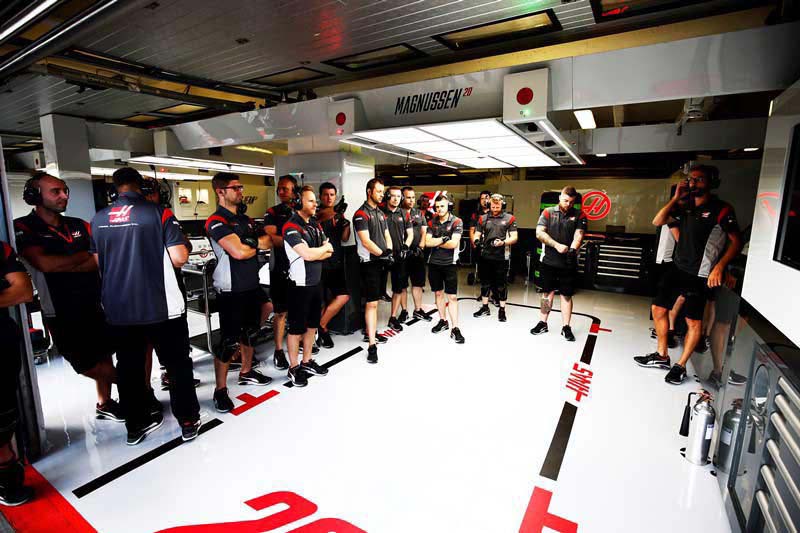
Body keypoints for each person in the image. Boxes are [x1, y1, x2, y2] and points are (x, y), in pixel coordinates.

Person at [91, 167, 201, 445]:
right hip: (160, 306)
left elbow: (97, 262)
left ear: (115, 187)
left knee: (129, 367)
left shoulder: (98, 219)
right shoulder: (159, 213)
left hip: (119, 308)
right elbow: (179, 257)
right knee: (176, 365)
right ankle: (188, 420)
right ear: (142, 186)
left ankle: (135, 425)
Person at [13, 172, 122, 421]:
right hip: (59, 309)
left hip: (94, 303)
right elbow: (44, 264)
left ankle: (105, 403)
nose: (64, 196)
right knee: (84, 364)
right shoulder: (23, 227)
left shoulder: (79, 225)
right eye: (56, 191)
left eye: (65, 191)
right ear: (35, 195)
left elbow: (99, 259)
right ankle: (132, 384)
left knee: (104, 353)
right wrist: (83, 259)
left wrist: (67, 264)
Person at [635, 165, 742, 384]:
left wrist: (720, 267)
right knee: (658, 308)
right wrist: (676, 198)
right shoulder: (685, 206)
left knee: (693, 321)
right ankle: (661, 355)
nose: (693, 183)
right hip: (677, 268)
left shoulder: (722, 209)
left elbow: (736, 241)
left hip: (700, 274)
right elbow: (657, 221)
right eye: (691, 179)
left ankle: (680, 366)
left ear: (712, 182)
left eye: (699, 179)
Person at [205, 172, 273, 412]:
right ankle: (220, 390)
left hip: (251, 284)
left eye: (241, 187)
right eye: (236, 188)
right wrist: (251, 244)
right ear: (220, 191)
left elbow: (267, 241)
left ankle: (246, 371)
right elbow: (238, 252)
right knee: (228, 341)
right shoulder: (216, 221)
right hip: (230, 289)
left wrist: (250, 242)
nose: (241, 191)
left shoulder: (246, 219)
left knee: (252, 330)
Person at [140, 177, 201, 392]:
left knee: (145, 343)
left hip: (137, 291)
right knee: (173, 341)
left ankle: (146, 389)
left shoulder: (109, 219)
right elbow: (182, 253)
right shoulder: (162, 215)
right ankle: (173, 380)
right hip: (167, 288)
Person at [283, 186, 333, 386]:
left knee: (312, 325)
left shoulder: (314, 224)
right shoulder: (291, 227)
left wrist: (319, 251)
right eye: (311, 200)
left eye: (315, 200)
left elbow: (329, 251)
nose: (315, 204)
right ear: (298, 202)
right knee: (296, 329)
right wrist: (321, 250)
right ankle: (293, 367)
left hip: (316, 283)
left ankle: (306, 361)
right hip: (299, 286)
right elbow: (308, 254)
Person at [0, 241, 34, 506]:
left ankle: (7, 470)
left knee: (4, 416)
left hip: (2, 343)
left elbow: (23, 291)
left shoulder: (1, 249)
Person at [530, 186, 587, 342]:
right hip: (548, 260)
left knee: (566, 295)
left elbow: (579, 235)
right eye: (565, 200)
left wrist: (572, 249)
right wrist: (556, 245)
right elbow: (539, 233)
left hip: (568, 262)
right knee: (546, 294)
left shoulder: (579, 214)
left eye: (571, 202)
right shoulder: (548, 212)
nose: (568, 204)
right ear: (560, 198)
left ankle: (566, 327)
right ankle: (543, 323)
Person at [353, 178, 393, 363]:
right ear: (369, 191)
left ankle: (371, 332)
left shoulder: (381, 213)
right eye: (378, 191)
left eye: (383, 192)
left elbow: (387, 235)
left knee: (376, 301)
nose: (382, 195)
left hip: (382, 262)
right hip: (369, 263)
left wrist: (389, 251)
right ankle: (371, 345)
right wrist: (383, 254)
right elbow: (366, 241)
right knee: (372, 304)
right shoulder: (361, 214)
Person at [264, 175, 298, 372]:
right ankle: (278, 350)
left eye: (286, 188)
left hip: (300, 268)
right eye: (280, 188)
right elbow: (271, 237)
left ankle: (297, 344)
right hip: (279, 268)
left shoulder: (300, 210)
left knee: (298, 309)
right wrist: (296, 240)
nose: (281, 192)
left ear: (295, 190)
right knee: (281, 312)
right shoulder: (272, 212)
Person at [426, 195, 465, 344]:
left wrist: (435, 242)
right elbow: (427, 242)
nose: (439, 209)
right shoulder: (432, 222)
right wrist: (443, 239)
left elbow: (453, 244)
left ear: (448, 206)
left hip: (450, 264)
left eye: (442, 206)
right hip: (434, 263)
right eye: (437, 207)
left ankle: (455, 328)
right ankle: (443, 320)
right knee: (438, 293)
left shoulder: (457, 221)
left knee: (452, 297)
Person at [473, 194, 518, 322]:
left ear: (502, 205)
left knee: (501, 284)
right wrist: (477, 241)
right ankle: (485, 307)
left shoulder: (510, 218)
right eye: (493, 206)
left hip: (501, 256)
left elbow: (514, 237)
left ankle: (502, 310)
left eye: (498, 206)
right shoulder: (483, 218)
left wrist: (503, 242)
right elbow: (477, 234)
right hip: (486, 255)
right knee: (485, 283)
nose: (495, 208)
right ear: (489, 205)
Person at [316, 182, 351, 349]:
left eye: (331, 195)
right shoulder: (315, 213)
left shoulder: (338, 215)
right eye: (325, 194)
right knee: (320, 302)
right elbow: (318, 220)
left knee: (343, 296)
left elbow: (345, 238)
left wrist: (345, 223)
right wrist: (334, 214)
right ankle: (320, 333)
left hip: (335, 263)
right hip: (318, 263)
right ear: (320, 196)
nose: (329, 198)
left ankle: (321, 326)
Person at [383, 186, 413, 332]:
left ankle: (393, 317)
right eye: (393, 196)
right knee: (376, 291)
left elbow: (410, 234)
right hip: (382, 255)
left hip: (399, 256)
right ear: (387, 196)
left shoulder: (404, 213)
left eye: (398, 196)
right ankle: (368, 322)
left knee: (398, 287)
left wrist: (406, 246)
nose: (396, 199)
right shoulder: (380, 212)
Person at [401, 187, 430, 322]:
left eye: (413, 197)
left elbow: (424, 231)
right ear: (402, 198)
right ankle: (404, 311)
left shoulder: (418, 213)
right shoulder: (397, 213)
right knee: (402, 285)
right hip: (402, 254)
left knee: (417, 284)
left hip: (417, 253)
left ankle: (418, 310)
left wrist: (421, 246)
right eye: (408, 197)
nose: (411, 200)